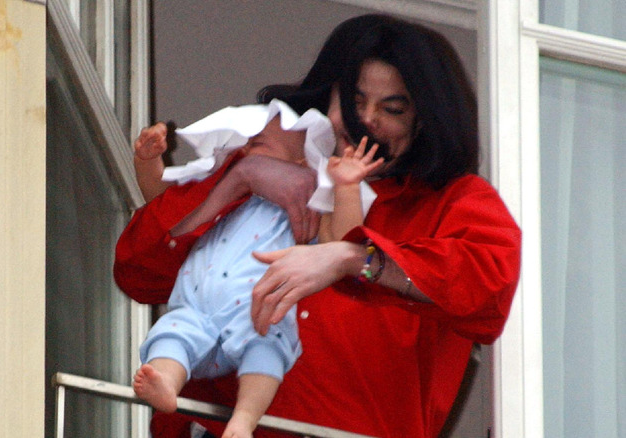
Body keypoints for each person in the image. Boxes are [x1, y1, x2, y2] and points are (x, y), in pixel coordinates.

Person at [115, 13, 522, 438]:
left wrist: (353, 258)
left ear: (424, 119)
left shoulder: (453, 200)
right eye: (353, 101)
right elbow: (138, 270)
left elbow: (487, 288)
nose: (367, 120)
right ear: (328, 96)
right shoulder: (266, 159)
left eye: (392, 109)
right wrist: (242, 177)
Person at [131, 100, 383, 438]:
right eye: (246, 138)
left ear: (302, 158)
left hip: (260, 311)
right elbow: (161, 205)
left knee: (268, 349)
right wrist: (148, 162)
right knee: (171, 334)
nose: (248, 141)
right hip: (195, 309)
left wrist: (347, 186)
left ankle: (244, 420)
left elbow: (342, 241)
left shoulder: (311, 205)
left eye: (261, 137)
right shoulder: (225, 193)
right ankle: (165, 384)